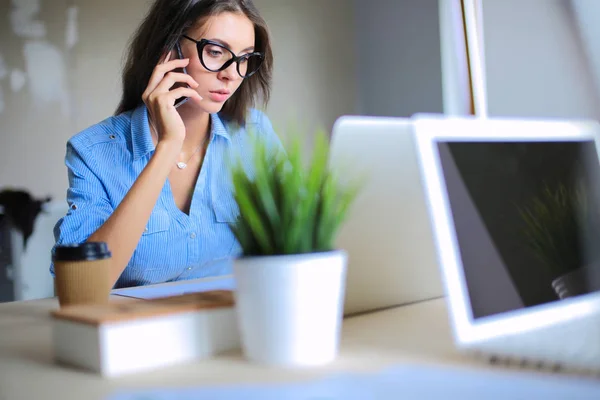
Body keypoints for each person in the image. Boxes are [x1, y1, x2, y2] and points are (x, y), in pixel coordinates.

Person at [50, 0, 282, 289]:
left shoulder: (255, 135)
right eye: (215, 52)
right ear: (170, 50)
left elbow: (296, 247)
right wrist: (167, 147)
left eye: (244, 58)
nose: (231, 73)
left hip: (230, 324)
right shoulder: (93, 151)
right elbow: (79, 287)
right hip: (134, 329)